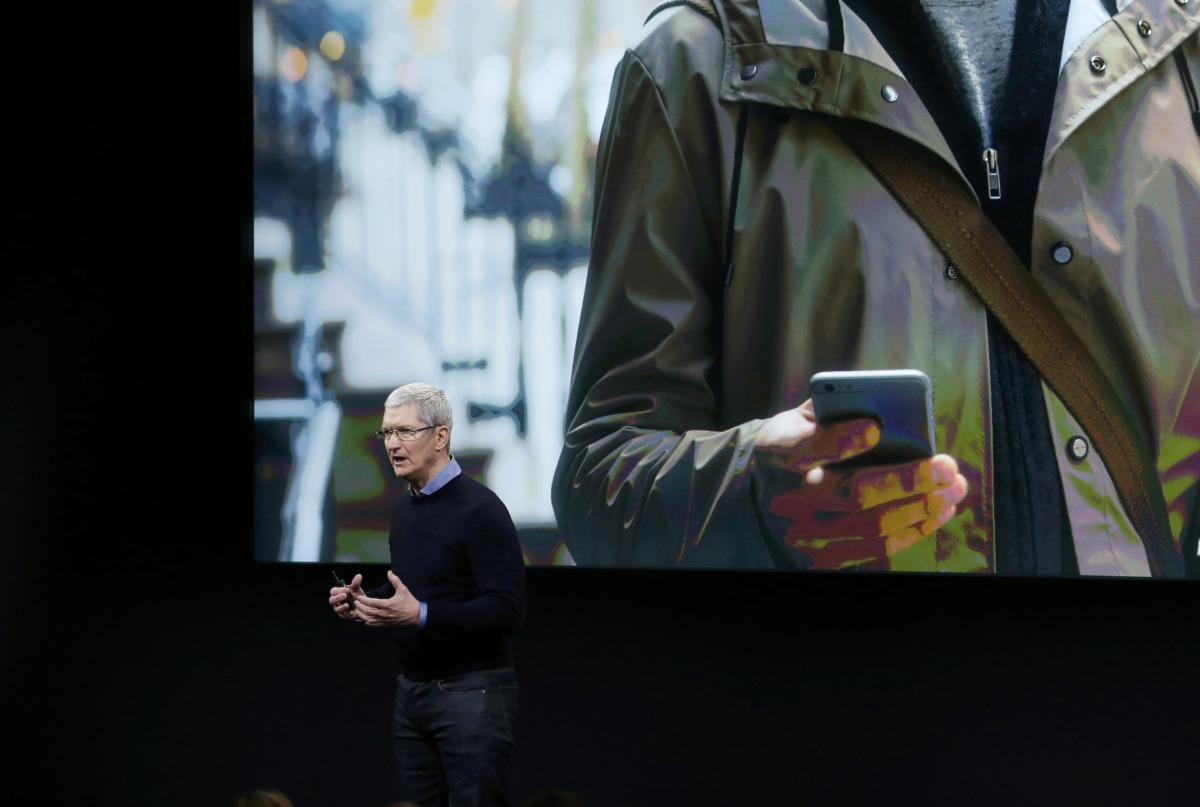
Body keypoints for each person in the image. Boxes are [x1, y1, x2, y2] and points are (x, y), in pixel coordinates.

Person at [551, 0, 1198, 575]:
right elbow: (598, 480)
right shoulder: (698, 60)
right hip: (848, 699)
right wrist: (756, 495)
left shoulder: (1179, 47)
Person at [331, 382, 528, 806]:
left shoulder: (482, 510)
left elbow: (507, 610)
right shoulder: (404, 508)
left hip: (472, 693)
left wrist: (421, 615)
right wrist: (364, 602)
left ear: (441, 436)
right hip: (412, 694)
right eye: (387, 433)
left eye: (405, 432)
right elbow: (417, 587)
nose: (392, 444)